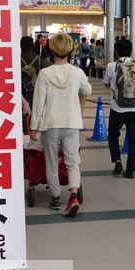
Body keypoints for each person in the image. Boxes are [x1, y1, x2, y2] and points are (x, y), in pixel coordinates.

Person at [29, 33, 92, 217]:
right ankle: (73, 195)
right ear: (70, 51)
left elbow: (38, 103)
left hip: (50, 124)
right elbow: (87, 90)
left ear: (51, 50)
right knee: (73, 163)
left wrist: (33, 127)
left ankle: (55, 199)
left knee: (51, 163)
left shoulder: (44, 73)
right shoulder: (77, 72)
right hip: (72, 123)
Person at [103, 38, 135, 179]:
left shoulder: (112, 66)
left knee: (113, 135)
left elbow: (106, 84)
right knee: (134, 140)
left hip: (117, 109)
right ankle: (130, 171)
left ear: (116, 53)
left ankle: (117, 161)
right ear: (131, 52)